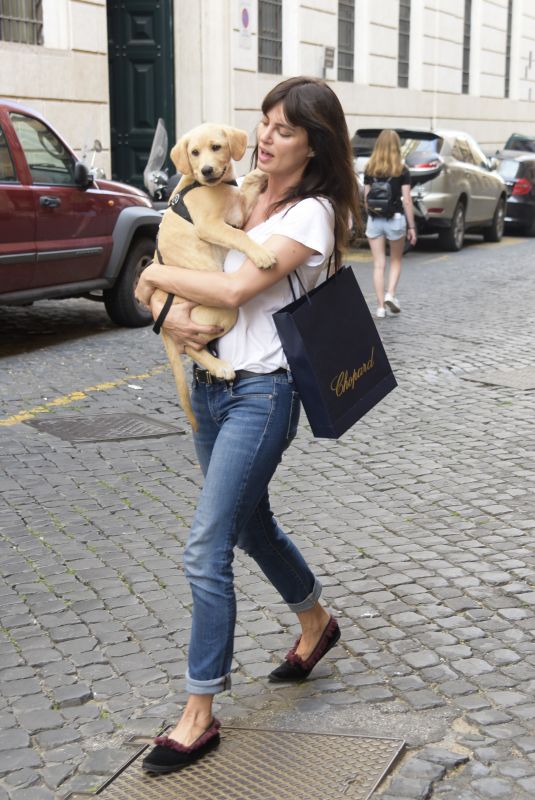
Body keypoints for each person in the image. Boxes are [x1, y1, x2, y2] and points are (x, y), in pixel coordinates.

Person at [134, 76, 360, 775]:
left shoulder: (312, 214)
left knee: (208, 546)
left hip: (261, 394)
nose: (265, 136)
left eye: (285, 129)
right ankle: (315, 622)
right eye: (263, 122)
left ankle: (198, 711)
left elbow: (231, 288)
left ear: (314, 143)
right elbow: (169, 281)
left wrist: (153, 278)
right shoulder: (236, 192)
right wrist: (160, 305)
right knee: (251, 523)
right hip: (207, 384)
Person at [364, 129, 417, 318]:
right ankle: (390, 294)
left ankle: (379, 308)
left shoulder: (370, 167)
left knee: (378, 264)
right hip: (395, 220)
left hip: (374, 220)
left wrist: (370, 215)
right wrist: (412, 227)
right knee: (395, 260)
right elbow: (407, 200)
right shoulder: (401, 169)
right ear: (397, 146)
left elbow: (366, 197)